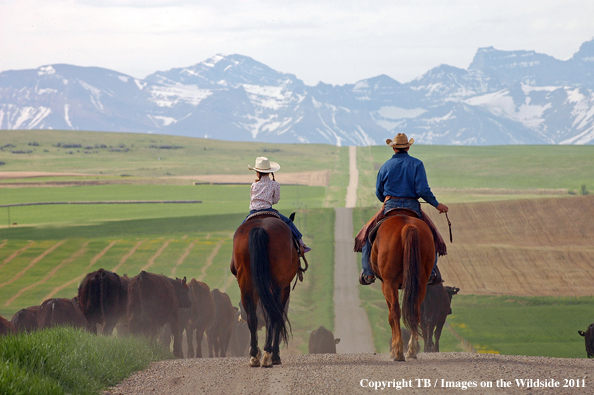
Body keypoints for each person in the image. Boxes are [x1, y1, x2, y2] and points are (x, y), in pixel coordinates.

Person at [357, 133, 448, 286]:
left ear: (393, 148)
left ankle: (368, 273)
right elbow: (423, 190)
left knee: (365, 236)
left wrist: (387, 200)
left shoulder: (385, 166)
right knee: (433, 237)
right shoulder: (417, 164)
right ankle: (431, 272)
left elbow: (379, 191)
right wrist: (437, 204)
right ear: (408, 147)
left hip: (390, 206)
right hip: (413, 207)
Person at [243, 156, 310, 255]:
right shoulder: (275, 185)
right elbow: (276, 200)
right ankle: (302, 244)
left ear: (257, 173)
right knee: (288, 222)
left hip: (253, 212)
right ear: (269, 172)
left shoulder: (254, 185)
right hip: (268, 210)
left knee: (239, 231)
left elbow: (252, 197)